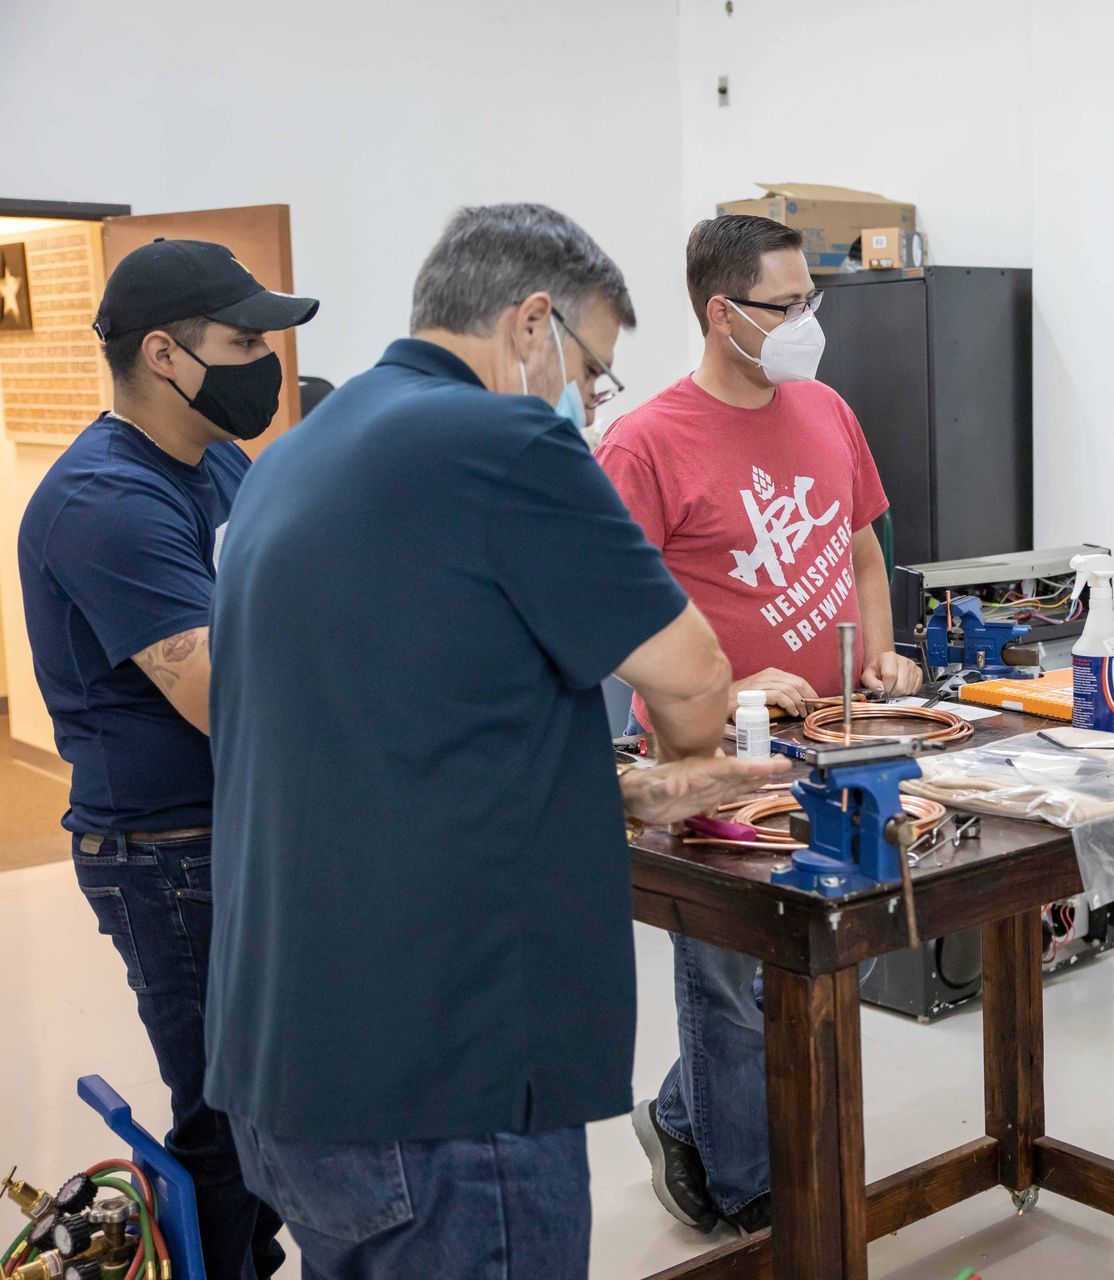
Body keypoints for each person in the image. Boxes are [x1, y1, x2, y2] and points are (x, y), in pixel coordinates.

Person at [201, 203, 787, 1277]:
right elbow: (694, 674)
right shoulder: (498, 437)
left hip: (289, 1076)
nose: (594, 404)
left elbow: (390, 739)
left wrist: (615, 797)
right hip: (442, 1085)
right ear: (530, 326)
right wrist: (689, 761)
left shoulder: (293, 456)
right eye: (595, 372)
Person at [594, 213, 919, 1236]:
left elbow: (865, 547)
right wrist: (730, 681)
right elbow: (606, 611)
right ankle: (747, 1191)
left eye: (810, 302)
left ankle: (685, 1110)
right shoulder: (644, 442)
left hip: (837, 736)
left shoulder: (827, 408)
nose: (807, 325)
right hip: (711, 755)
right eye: (786, 307)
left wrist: (881, 648)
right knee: (735, 981)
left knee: (844, 941)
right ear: (721, 312)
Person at [17, 238, 316, 1279]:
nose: (262, 361)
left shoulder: (219, 465)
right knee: (226, 1113)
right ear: (164, 352)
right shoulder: (104, 501)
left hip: (239, 828)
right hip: (167, 852)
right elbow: (230, 693)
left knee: (271, 1098)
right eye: (243, 340)